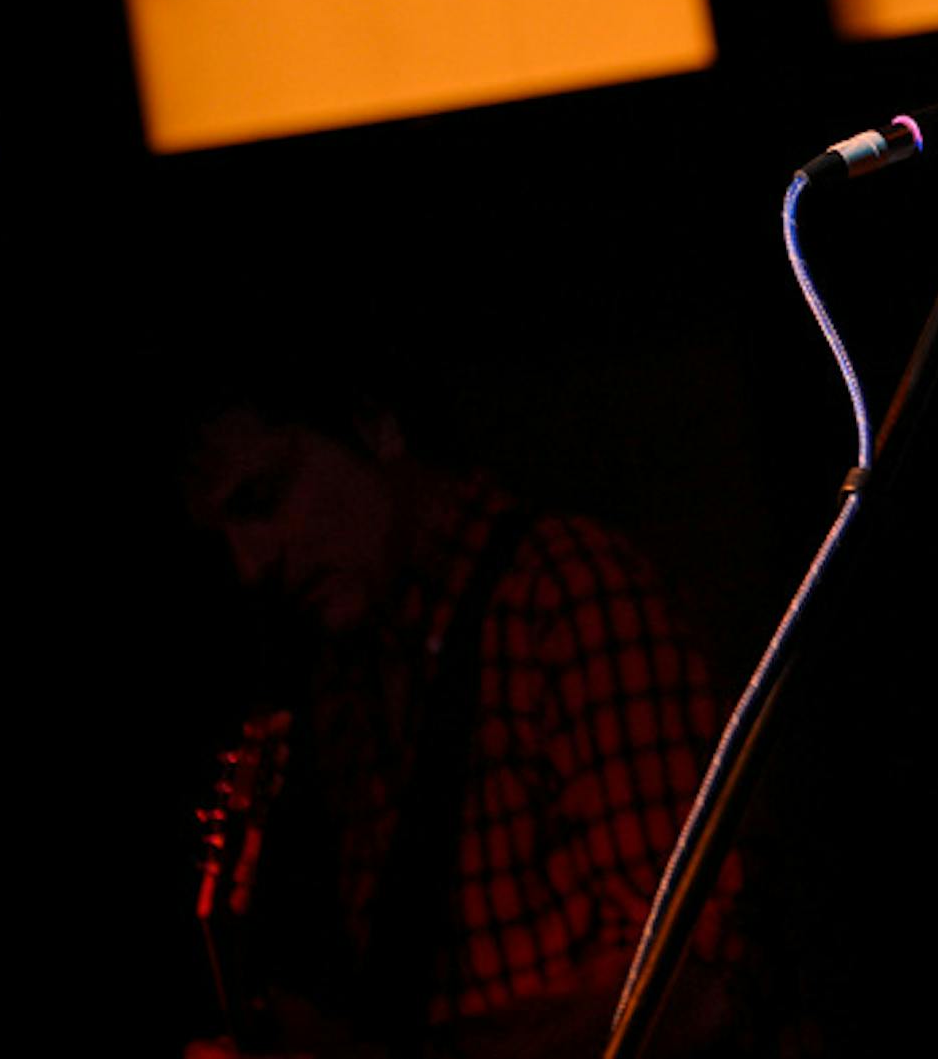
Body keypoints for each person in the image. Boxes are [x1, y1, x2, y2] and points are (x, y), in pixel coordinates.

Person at [180, 356, 744, 1058]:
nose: (250, 566)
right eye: (222, 538)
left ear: (375, 425)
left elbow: (696, 987)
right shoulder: (346, 678)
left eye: (263, 498)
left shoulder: (563, 590)